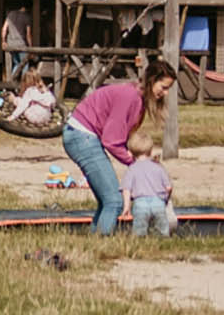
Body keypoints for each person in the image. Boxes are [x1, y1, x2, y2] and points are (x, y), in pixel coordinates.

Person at [61, 60, 177, 235]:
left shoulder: (137, 98)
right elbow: (112, 140)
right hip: (82, 136)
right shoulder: (130, 97)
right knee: (114, 201)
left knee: (105, 200)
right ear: (152, 80)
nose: (165, 93)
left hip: (82, 134)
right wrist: (137, 163)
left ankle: (95, 239)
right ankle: (103, 245)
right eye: (164, 87)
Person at [122, 131, 175, 237]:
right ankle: (164, 243)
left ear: (130, 153)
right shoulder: (158, 167)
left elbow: (126, 189)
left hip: (140, 203)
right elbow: (168, 187)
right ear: (151, 151)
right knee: (162, 229)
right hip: (158, 202)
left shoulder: (132, 169)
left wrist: (126, 206)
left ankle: (140, 242)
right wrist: (166, 199)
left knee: (139, 230)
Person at [2, 4, 32, 78]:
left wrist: (3, 41)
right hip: (21, 44)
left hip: (11, 44)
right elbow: (28, 34)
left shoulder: (10, 14)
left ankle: (11, 82)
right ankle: (23, 84)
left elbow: (4, 29)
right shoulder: (26, 17)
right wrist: (31, 47)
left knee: (17, 64)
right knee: (25, 65)